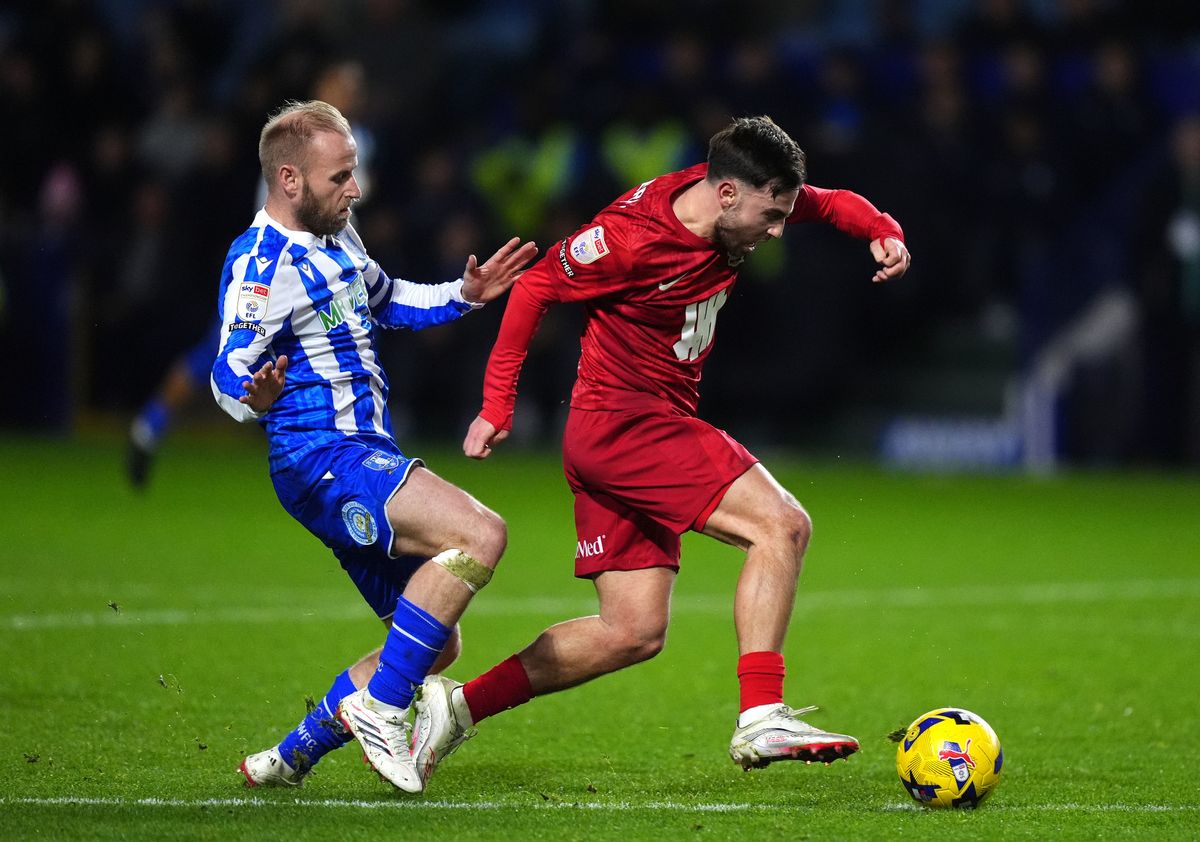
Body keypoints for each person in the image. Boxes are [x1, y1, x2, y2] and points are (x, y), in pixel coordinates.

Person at [407, 115, 911, 788]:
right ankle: (762, 712)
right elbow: (534, 289)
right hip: (627, 426)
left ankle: (460, 706)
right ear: (728, 194)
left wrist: (883, 231)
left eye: (784, 212)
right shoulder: (629, 240)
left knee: (632, 631)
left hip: (625, 430)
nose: (778, 229)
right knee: (782, 525)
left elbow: (834, 203)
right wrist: (496, 406)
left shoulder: (730, 203)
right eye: (770, 214)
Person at [210, 99, 537, 792]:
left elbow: (387, 299)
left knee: (433, 643)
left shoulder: (340, 239)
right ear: (290, 180)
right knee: (480, 533)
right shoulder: (262, 262)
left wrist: (466, 293)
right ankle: (384, 710)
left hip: (357, 454)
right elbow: (227, 371)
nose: (355, 190)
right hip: (322, 456)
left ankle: (287, 758)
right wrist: (252, 397)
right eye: (341, 178)